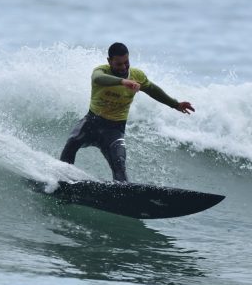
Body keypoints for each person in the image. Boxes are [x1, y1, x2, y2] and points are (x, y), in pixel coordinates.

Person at [59, 42, 194, 182]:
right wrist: (122, 82)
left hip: (115, 129)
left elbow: (153, 90)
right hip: (92, 123)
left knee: (119, 164)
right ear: (109, 61)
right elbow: (98, 78)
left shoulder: (137, 75)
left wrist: (175, 104)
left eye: (126, 62)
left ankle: (121, 194)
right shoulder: (101, 71)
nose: (123, 67)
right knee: (72, 143)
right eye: (118, 64)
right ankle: (61, 180)